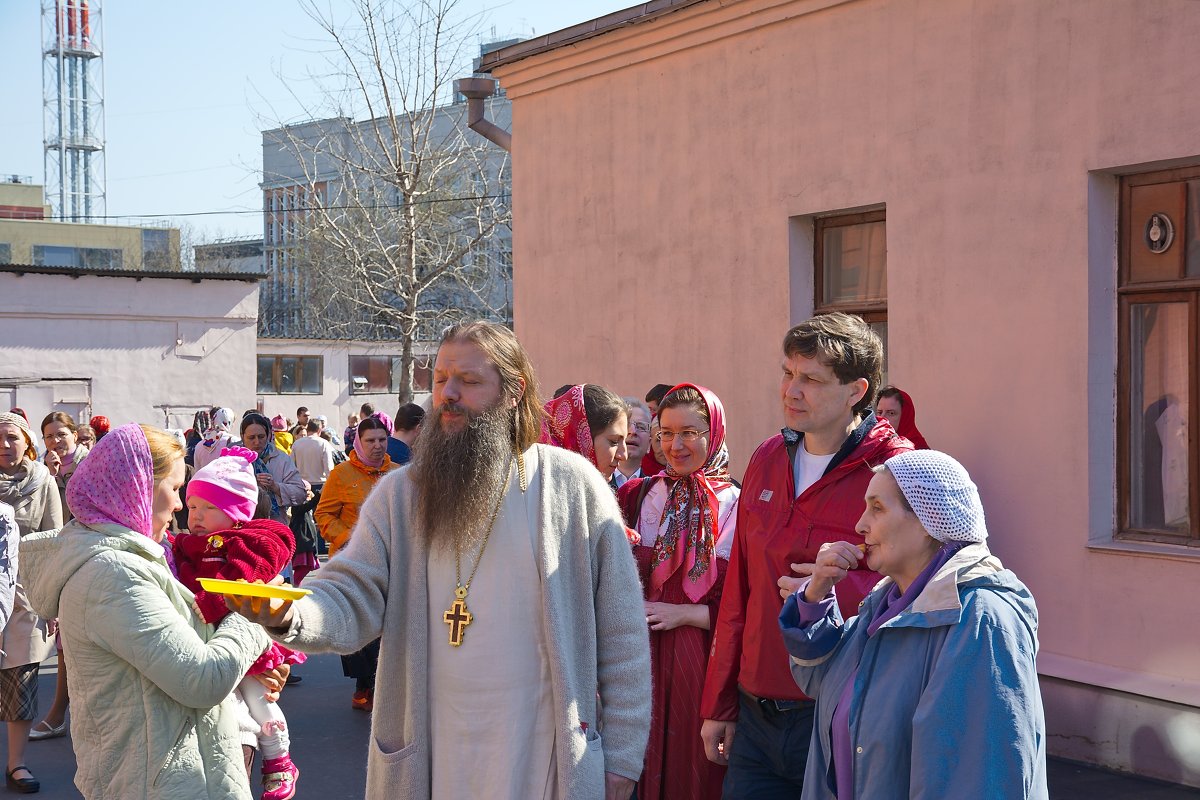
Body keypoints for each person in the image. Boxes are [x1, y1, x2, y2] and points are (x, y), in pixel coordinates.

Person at [229, 321, 651, 800]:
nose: (447, 394)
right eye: (440, 379)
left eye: (468, 381)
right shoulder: (401, 494)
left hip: (543, 753)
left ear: (515, 393)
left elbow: (622, 634)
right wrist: (295, 612)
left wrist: (621, 756)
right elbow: (354, 589)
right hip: (434, 754)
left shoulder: (573, 487)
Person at [699, 313, 912, 798]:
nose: (791, 390)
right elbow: (740, 590)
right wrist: (720, 703)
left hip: (841, 711)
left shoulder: (898, 470)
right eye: (788, 373)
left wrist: (827, 593)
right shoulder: (767, 456)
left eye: (811, 379)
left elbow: (917, 592)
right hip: (755, 711)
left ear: (856, 391)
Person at [20, 423, 275, 799]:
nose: (178, 503)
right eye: (173, 488)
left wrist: (253, 663)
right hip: (156, 782)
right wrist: (253, 614)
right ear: (136, 488)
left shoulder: (140, 557)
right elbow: (201, 678)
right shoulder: (113, 573)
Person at [777, 450, 1047, 799]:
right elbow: (820, 681)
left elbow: (983, 779)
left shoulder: (981, 619)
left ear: (927, 519)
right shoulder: (886, 607)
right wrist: (815, 596)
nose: (859, 525)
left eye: (877, 508)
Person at [617, 384, 739, 800]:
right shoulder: (638, 495)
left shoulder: (737, 505)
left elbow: (748, 602)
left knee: (695, 774)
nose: (675, 445)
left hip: (704, 659)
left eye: (689, 432)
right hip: (639, 657)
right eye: (665, 433)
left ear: (715, 432)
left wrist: (684, 614)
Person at [178, 446, 305, 800]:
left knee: (260, 700)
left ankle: (279, 760)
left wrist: (207, 603)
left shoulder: (246, 543)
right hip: (210, 648)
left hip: (243, 641)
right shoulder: (188, 544)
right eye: (192, 507)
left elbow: (241, 581)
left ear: (235, 514)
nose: (196, 516)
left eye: (208, 508)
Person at [314, 415, 398, 711]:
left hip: (391, 564)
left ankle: (383, 685)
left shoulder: (400, 475)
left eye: (382, 440)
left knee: (386, 627)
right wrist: (349, 538)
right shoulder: (341, 474)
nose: (377, 446)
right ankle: (363, 685)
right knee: (358, 623)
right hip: (352, 563)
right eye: (370, 441)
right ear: (358, 443)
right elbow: (323, 515)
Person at [0, 412, 62, 793]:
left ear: (27, 442)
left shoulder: (44, 483)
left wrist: (51, 602)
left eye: (11, 438)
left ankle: (16, 763)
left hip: (26, 596)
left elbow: (55, 543)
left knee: (20, 680)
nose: (4, 445)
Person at [33, 412, 88, 743]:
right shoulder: (45, 470)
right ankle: (60, 715)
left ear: (75, 435)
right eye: (49, 436)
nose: (55, 441)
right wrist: (51, 475)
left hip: (88, 556)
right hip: (62, 560)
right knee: (67, 642)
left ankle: (61, 714)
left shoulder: (90, 465)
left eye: (61, 434)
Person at [542, 384, 629, 488]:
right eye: (614, 441)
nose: (624, 455)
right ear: (582, 438)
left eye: (625, 441)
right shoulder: (538, 486)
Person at [289, 420, 339, 583]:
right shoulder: (323, 443)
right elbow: (329, 469)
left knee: (306, 521)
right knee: (320, 519)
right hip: (320, 484)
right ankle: (316, 550)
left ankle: (309, 554)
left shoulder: (297, 444)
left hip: (301, 483)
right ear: (320, 430)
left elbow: (292, 465)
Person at [239, 414, 306, 526]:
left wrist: (275, 487)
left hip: (275, 525)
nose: (257, 442)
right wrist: (250, 483)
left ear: (269, 435)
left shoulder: (281, 458)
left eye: (261, 437)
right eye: (251, 438)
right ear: (242, 437)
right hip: (242, 525)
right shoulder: (234, 460)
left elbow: (300, 493)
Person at [614, 399, 651, 488]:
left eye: (641, 427)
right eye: (626, 425)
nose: (633, 431)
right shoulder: (596, 482)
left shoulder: (654, 489)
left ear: (649, 444)